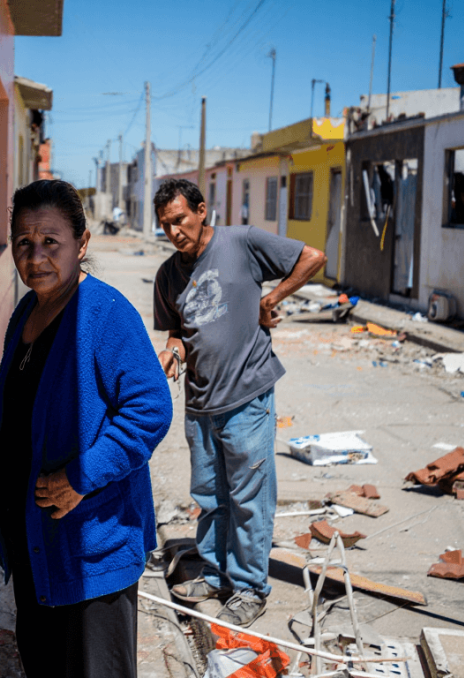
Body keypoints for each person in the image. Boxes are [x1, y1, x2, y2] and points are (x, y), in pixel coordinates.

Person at [0, 179, 172, 677]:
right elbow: (20, 391)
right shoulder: (27, 311)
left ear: (82, 242)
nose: (35, 257)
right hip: (38, 548)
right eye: (23, 242)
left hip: (89, 553)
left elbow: (150, 409)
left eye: (50, 241)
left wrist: (81, 477)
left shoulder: (105, 313)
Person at [152, 178, 325, 627]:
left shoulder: (242, 243)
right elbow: (178, 330)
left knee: (250, 499)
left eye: (179, 220)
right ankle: (213, 575)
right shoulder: (168, 275)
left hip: (247, 395)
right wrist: (172, 352)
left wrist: (272, 297)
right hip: (200, 402)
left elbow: (312, 257)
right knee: (210, 497)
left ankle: (249, 587)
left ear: (202, 210)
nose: (174, 232)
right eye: (165, 225)